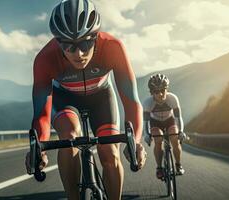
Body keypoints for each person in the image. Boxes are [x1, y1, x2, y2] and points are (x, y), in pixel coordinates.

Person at [24, 0, 146, 199]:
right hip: (65, 99)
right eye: (69, 46)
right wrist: (39, 148)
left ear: (96, 36)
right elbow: (41, 115)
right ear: (57, 41)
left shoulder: (113, 47)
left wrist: (137, 142)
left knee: (110, 152)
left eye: (86, 43)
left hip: (101, 98)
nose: (78, 53)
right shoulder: (45, 59)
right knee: (69, 136)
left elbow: (131, 101)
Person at [143, 74, 187, 179]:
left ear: (167, 89)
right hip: (155, 122)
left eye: (163, 90)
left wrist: (181, 131)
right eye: (156, 92)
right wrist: (147, 135)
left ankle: (178, 164)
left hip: (169, 121)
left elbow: (178, 118)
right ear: (151, 93)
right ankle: (159, 168)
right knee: (158, 140)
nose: (160, 94)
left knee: (175, 139)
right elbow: (146, 122)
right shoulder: (148, 103)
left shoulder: (173, 99)